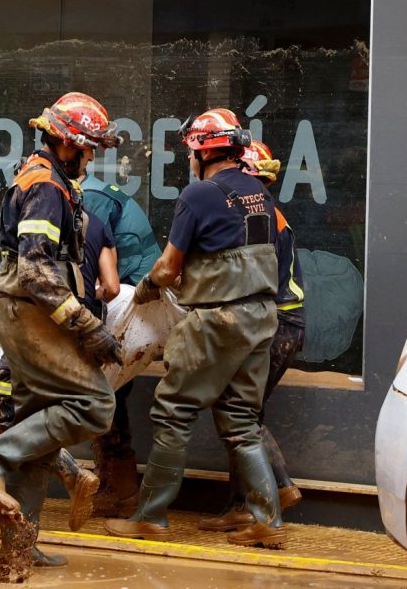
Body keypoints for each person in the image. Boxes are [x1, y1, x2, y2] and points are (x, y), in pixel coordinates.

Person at [104, 108, 285, 548]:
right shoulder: (259, 194)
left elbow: (169, 266)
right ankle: (266, 518)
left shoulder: (199, 195)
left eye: (190, 152)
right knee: (242, 420)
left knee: (172, 412)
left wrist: (145, 289)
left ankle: (151, 516)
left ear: (201, 152)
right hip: (261, 317)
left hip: (217, 320)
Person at [0, 92, 122, 567]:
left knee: (35, 428)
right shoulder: (48, 187)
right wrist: (89, 328)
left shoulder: (48, 180)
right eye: (87, 148)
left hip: (28, 311)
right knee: (96, 404)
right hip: (29, 313)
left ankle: (16, 552)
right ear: (66, 143)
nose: (90, 157)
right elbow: (35, 271)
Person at [198, 141, 305, 532]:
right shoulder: (269, 214)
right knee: (241, 411)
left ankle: (277, 486)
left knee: (239, 413)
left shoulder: (262, 219)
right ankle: (242, 504)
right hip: (284, 324)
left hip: (276, 323)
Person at [80, 149, 161, 517]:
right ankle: (114, 485)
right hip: (133, 297)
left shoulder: (90, 200)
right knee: (106, 392)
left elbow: (99, 276)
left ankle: (122, 490)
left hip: (135, 301)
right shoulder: (88, 194)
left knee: (105, 391)